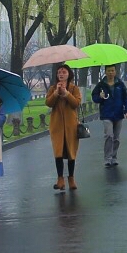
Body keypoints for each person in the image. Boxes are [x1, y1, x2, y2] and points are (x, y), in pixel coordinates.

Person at [46, 63, 82, 193]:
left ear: (69, 74)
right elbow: (48, 103)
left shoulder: (74, 89)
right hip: (57, 125)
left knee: (71, 152)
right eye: (59, 72)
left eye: (64, 72)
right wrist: (56, 93)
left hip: (71, 125)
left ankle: (71, 178)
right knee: (58, 151)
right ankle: (60, 178)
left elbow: (76, 103)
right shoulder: (52, 88)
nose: (61, 74)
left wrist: (66, 93)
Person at [92, 65, 127, 166]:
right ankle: (107, 158)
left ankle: (114, 157)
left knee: (116, 138)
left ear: (115, 72)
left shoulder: (120, 84)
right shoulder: (101, 85)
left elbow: (126, 97)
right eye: (109, 70)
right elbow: (94, 97)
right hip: (106, 114)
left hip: (118, 113)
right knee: (109, 135)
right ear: (105, 72)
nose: (110, 72)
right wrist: (100, 97)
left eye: (112, 70)